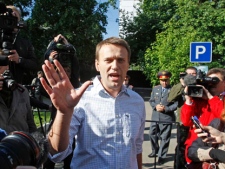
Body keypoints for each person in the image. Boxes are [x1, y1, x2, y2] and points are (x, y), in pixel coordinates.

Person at [40, 37, 146, 169]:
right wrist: (63, 113)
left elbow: (137, 147)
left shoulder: (138, 102)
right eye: (108, 60)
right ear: (97, 65)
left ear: (128, 65)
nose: (115, 66)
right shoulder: (80, 98)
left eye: (120, 60)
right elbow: (56, 153)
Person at [43, 34, 80, 169]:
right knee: (51, 152)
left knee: (71, 152)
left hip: (72, 126)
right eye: (61, 71)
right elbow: (45, 61)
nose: (65, 73)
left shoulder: (74, 84)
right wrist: (52, 47)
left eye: (68, 71)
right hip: (55, 124)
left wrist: (67, 44)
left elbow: (74, 60)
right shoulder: (54, 84)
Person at [181, 68, 225, 165]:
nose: (211, 84)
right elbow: (186, 122)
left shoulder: (220, 100)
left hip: (216, 148)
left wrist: (210, 98)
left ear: (224, 83)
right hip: (195, 148)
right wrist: (188, 100)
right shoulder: (199, 98)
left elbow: (222, 115)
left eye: (215, 81)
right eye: (209, 80)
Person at [167, 66, 197, 168]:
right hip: (183, 122)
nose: (192, 76)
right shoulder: (180, 86)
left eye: (194, 74)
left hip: (198, 122)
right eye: (189, 74)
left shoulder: (200, 85)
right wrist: (183, 85)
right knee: (181, 146)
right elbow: (170, 98)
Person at [148, 70, 178, 165]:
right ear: (159, 80)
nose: (164, 82)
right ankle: (155, 150)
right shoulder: (156, 89)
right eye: (162, 81)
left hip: (166, 117)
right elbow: (151, 100)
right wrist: (155, 106)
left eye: (166, 80)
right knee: (152, 134)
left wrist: (167, 109)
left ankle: (162, 156)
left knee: (164, 138)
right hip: (155, 117)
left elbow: (177, 104)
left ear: (169, 80)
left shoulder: (173, 90)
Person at [5, 5, 37, 84]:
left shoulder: (26, 43)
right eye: (7, 18)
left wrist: (19, 60)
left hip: (18, 87)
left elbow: (34, 65)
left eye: (14, 18)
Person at [0, 65, 37, 134]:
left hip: (20, 142)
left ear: (7, 67)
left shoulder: (21, 91)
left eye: (1, 66)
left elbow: (31, 123)